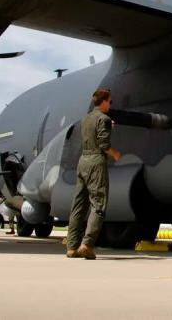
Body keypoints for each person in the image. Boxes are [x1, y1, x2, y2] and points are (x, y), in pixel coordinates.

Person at [66, 88, 122, 260]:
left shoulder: (86, 118)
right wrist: (115, 154)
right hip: (96, 162)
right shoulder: (104, 119)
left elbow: (93, 133)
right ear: (104, 101)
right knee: (98, 205)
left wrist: (107, 125)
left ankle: (72, 247)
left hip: (83, 161)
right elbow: (104, 144)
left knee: (78, 206)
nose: (110, 105)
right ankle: (87, 244)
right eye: (110, 101)